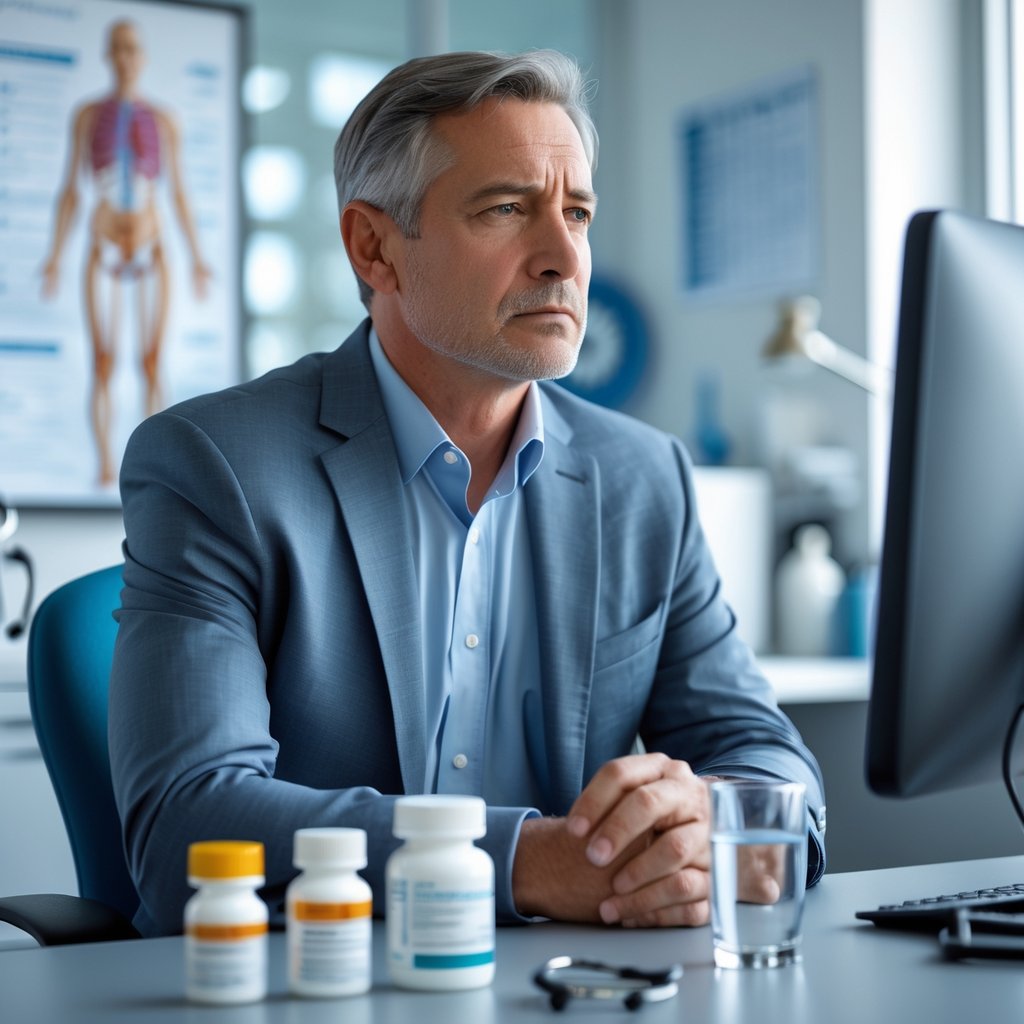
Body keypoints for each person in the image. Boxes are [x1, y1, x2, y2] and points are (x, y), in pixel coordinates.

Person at [109, 49, 825, 937]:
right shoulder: (217, 464)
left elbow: (767, 762)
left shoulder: (643, 479)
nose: (564, 258)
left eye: (578, 214)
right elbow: (190, 823)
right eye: (507, 209)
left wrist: (717, 832)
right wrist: (526, 862)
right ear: (375, 248)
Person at [40, 19, 211, 487]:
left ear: (143, 57)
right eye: (116, 49)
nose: (124, 58)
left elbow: (178, 193)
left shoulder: (164, 120)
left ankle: (154, 463)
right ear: (107, 55)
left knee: (152, 360)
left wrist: (197, 257)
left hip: (153, 245)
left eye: (132, 49)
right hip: (103, 242)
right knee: (103, 361)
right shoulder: (86, 115)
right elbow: (70, 190)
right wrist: (55, 255)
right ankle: (103, 466)